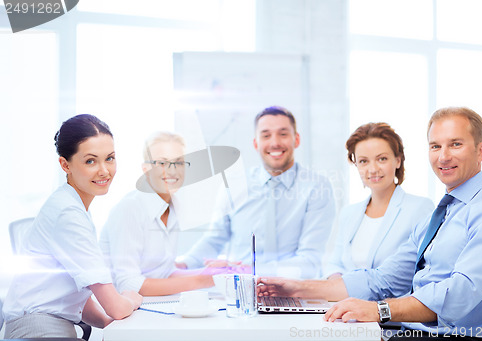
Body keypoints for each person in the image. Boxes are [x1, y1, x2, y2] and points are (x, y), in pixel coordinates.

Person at [258, 107, 482, 340]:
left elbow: (460, 293)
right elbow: (384, 279)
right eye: (435, 146)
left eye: (456, 144)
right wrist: (296, 288)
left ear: (481, 151)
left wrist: (380, 310)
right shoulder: (439, 215)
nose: (443, 156)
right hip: (409, 331)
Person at [2, 114, 142, 338]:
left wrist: (112, 322)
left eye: (110, 158)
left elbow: (75, 296)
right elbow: (116, 306)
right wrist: (130, 298)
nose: (104, 170)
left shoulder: (71, 206)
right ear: (65, 164)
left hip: (48, 327)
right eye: (90, 161)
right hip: (37, 331)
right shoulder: (68, 214)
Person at [177, 106, 336, 279]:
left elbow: (309, 261)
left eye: (283, 134)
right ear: (256, 143)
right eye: (266, 135)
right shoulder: (234, 185)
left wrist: (244, 270)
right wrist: (183, 264)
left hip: (295, 293)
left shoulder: (317, 187)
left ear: (296, 140)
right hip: (240, 291)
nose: (275, 142)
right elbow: (214, 239)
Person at [100, 132, 229, 296]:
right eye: (162, 163)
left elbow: (164, 272)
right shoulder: (131, 208)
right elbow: (129, 284)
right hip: (119, 314)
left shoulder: (173, 207)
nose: (172, 170)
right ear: (146, 169)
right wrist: (203, 279)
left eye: (179, 162)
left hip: (152, 307)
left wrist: (213, 272)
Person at [324, 123, 434, 278]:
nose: (373, 169)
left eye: (381, 159)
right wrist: (340, 286)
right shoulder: (349, 213)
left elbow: (425, 270)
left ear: (397, 160)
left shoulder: (420, 209)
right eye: (363, 161)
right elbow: (333, 264)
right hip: (346, 300)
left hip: (391, 301)